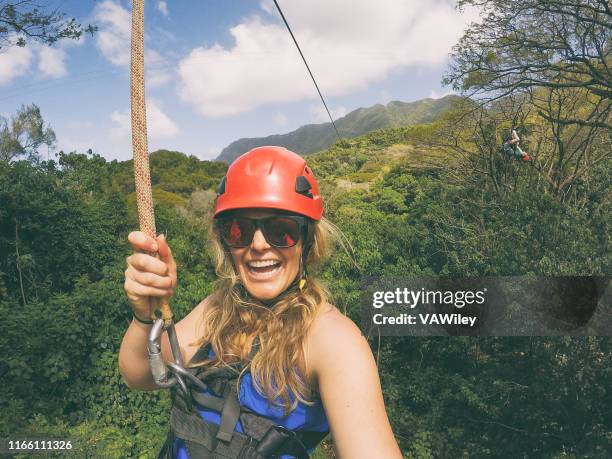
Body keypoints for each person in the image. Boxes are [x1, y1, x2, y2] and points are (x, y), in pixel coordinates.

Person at [119, 146, 402, 458]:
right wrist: (144, 316)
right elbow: (141, 375)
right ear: (225, 242)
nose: (258, 244)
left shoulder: (332, 341)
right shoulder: (216, 310)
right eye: (238, 229)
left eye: (281, 229)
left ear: (307, 240)